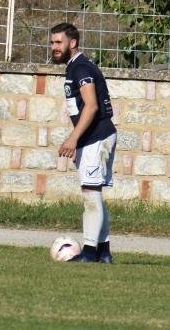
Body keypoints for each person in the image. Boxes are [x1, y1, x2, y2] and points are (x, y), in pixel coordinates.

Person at [50, 22, 117, 264]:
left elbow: (91, 105)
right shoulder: (74, 68)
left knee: (90, 194)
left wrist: (73, 138)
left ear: (73, 43)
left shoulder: (80, 68)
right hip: (96, 137)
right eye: (52, 42)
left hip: (96, 137)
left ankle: (89, 253)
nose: (54, 47)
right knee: (94, 194)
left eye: (59, 42)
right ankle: (104, 252)